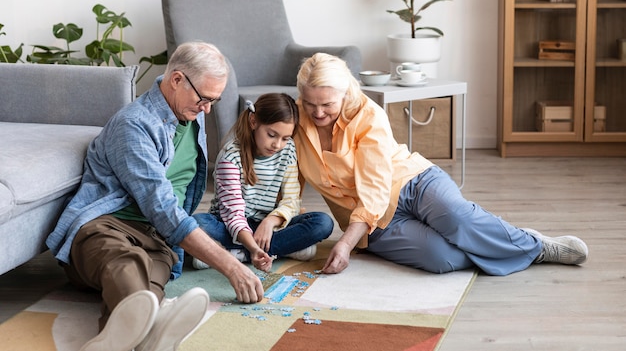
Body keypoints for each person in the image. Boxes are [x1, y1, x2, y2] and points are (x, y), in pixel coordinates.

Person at [46, 41, 264, 351]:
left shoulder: (191, 112)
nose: (208, 109)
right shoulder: (133, 125)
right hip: (104, 228)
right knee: (129, 262)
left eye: (214, 100)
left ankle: (135, 338)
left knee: (150, 280)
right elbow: (162, 207)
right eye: (204, 99)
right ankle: (154, 324)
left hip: (159, 240)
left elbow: (175, 206)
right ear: (177, 80)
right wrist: (230, 266)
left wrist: (178, 244)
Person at [293, 52, 589, 277]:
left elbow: (374, 186)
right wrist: (281, 219)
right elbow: (289, 178)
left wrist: (343, 244)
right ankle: (497, 237)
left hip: (412, 182)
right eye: (310, 103)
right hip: (375, 224)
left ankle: (535, 246)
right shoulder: (294, 121)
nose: (318, 113)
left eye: (327, 104)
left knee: (457, 220)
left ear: (345, 94)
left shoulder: (368, 115)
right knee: (441, 258)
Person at [192, 93, 334, 273]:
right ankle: (276, 250)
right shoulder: (230, 157)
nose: (277, 145)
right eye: (272, 135)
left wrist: (270, 222)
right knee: (198, 224)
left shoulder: (288, 149)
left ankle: (230, 253)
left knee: (322, 223)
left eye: (284, 138)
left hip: (269, 226)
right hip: (231, 225)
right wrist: (253, 247)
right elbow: (233, 215)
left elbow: (292, 200)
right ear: (253, 121)